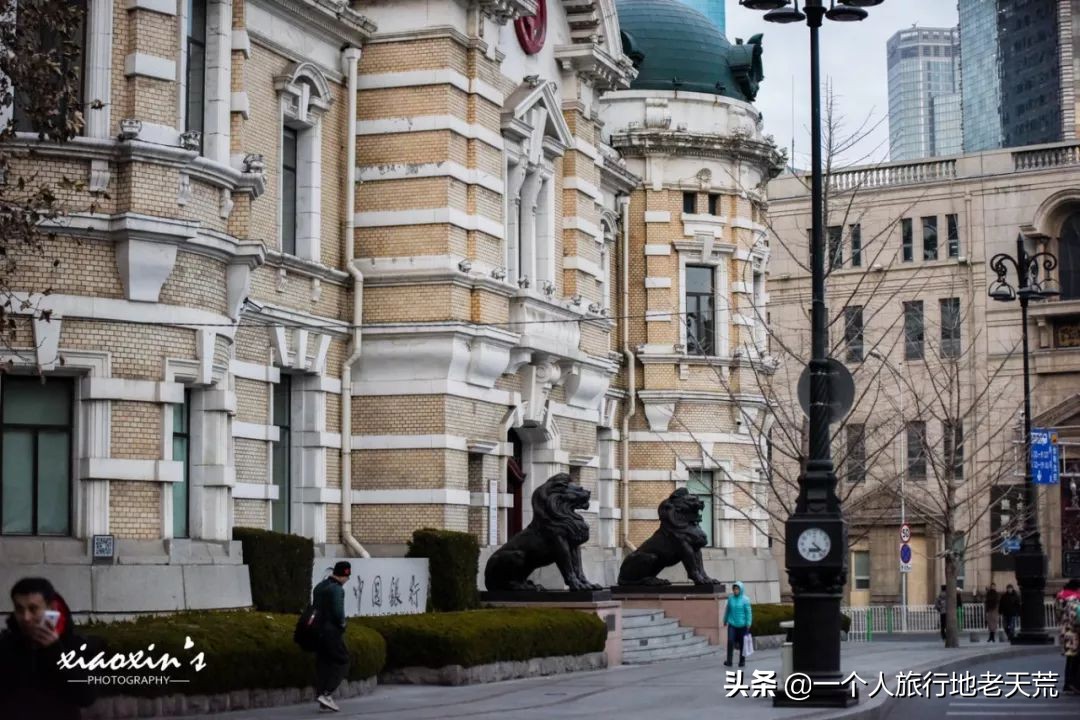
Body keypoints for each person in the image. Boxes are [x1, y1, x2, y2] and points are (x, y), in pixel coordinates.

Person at [0, 577, 96, 719]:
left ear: (51, 608)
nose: (26, 617)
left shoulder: (76, 645)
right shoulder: (6, 645)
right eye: (19, 609)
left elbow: (86, 696)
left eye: (33, 609)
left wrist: (55, 652)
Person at [312, 561, 352, 712]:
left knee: (323, 663)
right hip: (331, 633)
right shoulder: (337, 590)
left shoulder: (319, 587)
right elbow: (338, 612)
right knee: (343, 661)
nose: (347, 580)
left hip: (317, 631)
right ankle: (327, 693)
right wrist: (343, 624)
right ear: (343, 575)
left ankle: (322, 697)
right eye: (347, 576)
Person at [1056, 579, 1080, 695]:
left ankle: (1068, 684)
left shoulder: (1061, 598)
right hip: (1074, 633)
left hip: (1065, 631)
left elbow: (1058, 615)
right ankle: (1073, 684)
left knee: (1070, 659)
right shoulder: (1074, 600)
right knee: (1075, 659)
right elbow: (1075, 618)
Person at [723, 581, 753, 668]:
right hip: (732, 624)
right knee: (730, 641)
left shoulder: (746, 600)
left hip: (743, 625)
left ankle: (742, 661)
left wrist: (748, 623)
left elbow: (748, 612)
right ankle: (729, 661)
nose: (735, 591)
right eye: (734, 589)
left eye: (737, 589)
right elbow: (727, 610)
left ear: (741, 590)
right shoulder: (730, 599)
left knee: (742, 644)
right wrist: (725, 620)